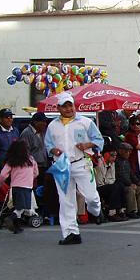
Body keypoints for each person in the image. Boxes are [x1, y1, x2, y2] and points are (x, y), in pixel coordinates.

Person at [43, 92, 104, 245]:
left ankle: (96, 211)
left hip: (81, 162)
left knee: (90, 196)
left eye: (70, 105)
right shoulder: (53, 125)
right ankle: (71, 233)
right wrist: (54, 151)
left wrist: (86, 145)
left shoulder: (85, 122)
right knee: (66, 200)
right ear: (59, 108)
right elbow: (48, 145)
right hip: (62, 165)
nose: (69, 108)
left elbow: (99, 140)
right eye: (65, 106)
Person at [0, 139, 38, 234]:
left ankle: (17, 227)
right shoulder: (31, 160)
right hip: (27, 186)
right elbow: (36, 172)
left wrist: (0, 183)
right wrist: (30, 177)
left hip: (15, 187)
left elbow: (3, 174)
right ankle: (11, 217)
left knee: (18, 206)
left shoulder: (12, 161)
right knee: (22, 207)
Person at [115, 142, 140, 219]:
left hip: (128, 183)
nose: (128, 153)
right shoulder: (117, 161)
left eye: (129, 151)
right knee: (131, 190)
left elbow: (131, 174)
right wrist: (129, 184)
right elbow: (119, 176)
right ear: (120, 151)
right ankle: (131, 210)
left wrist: (138, 182)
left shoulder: (126, 161)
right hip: (120, 184)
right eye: (126, 151)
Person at [94, 146, 126, 222]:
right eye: (112, 155)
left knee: (120, 185)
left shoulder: (112, 164)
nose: (114, 157)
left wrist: (108, 182)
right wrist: (108, 182)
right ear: (106, 154)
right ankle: (112, 212)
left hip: (107, 185)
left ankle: (121, 210)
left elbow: (112, 178)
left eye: (115, 156)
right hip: (99, 186)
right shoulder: (99, 162)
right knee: (114, 187)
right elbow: (100, 180)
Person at [20, 111, 49, 177]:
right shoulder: (26, 133)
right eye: (43, 122)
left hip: (43, 166)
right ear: (36, 122)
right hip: (32, 168)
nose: (45, 124)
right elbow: (24, 153)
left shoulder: (43, 132)